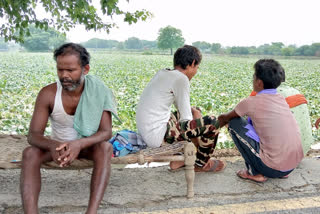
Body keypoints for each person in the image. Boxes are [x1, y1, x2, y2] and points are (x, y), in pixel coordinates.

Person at [20, 43, 119, 214]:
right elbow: (34, 135)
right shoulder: (48, 94)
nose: (64, 75)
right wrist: (52, 145)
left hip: (86, 147)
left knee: (105, 148)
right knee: (29, 153)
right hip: (57, 147)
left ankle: (91, 212)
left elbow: (106, 132)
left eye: (71, 70)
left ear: (85, 69)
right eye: (60, 70)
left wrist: (79, 144)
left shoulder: (99, 91)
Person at [136, 45, 225, 172]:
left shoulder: (164, 73)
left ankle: (178, 161)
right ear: (193, 63)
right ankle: (200, 163)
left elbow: (182, 109)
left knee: (195, 111)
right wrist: (199, 138)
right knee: (212, 122)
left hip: (150, 132)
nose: (196, 71)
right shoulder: (181, 79)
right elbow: (186, 120)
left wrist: (195, 113)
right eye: (197, 67)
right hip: (157, 137)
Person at [218, 59, 304, 183]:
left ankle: (254, 173)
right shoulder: (280, 99)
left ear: (259, 82)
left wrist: (213, 126)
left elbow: (226, 118)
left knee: (234, 123)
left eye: (254, 76)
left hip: (272, 168)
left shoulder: (251, 102)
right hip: (291, 167)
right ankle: (280, 169)